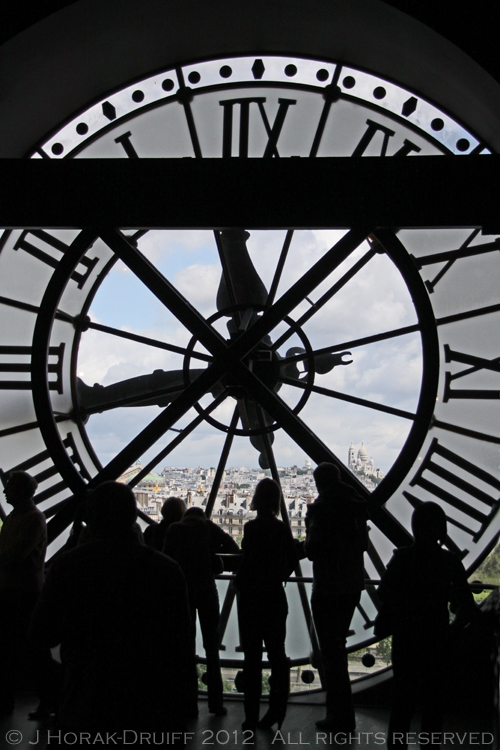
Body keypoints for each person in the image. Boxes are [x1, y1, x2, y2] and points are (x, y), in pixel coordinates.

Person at [30, 481, 195, 738]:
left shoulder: (69, 566)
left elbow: (42, 633)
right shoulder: (166, 571)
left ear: (91, 518)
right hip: (148, 705)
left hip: (85, 702)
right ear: (132, 516)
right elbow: (181, 646)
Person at [376, 502, 476, 749]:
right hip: (437, 638)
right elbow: (466, 605)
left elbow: (384, 594)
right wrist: (451, 631)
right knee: (433, 705)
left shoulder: (402, 559)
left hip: (406, 638)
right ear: (441, 529)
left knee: (403, 703)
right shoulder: (449, 562)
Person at [304, 462, 368, 732]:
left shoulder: (322, 510)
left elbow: (312, 550)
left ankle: (338, 714)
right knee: (336, 650)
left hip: (329, 585)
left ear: (319, 484)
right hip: (351, 584)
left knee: (332, 653)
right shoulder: (355, 504)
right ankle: (343, 715)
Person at [163, 505, 240, 716]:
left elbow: (166, 561)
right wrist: (214, 559)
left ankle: (189, 703)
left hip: (184, 592)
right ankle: (216, 703)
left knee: (186, 647)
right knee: (212, 647)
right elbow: (234, 549)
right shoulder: (209, 528)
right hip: (206, 589)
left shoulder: (174, 530)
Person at [235, 478, 297, 731]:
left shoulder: (251, 528)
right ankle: (276, 711)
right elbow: (290, 560)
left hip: (252, 598)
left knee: (252, 659)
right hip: (273, 597)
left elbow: (247, 560)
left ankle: (251, 715)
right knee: (277, 654)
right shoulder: (282, 529)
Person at [0, 471, 57, 719]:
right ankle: (48, 701)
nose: (4, 491)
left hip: (15, 592)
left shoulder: (21, 519)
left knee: (10, 650)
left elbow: (12, 555)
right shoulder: (33, 519)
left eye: (8, 487)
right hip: (25, 592)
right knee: (35, 650)